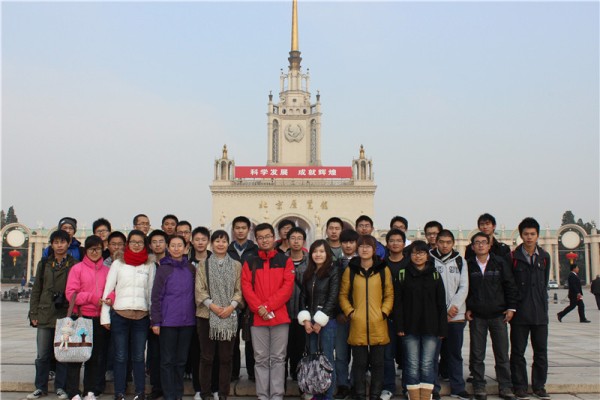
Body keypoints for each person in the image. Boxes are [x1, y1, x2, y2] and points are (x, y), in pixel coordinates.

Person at [241, 222, 295, 400]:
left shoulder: (285, 260)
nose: (264, 240)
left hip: (280, 317)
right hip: (258, 319)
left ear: (274, 237)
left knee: (278, 359)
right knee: (261, 359)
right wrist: (259, 308)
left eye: (267, 236)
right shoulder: (250, 261)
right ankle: (263, 396)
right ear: (256, 240)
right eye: (260, 237)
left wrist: (268, 307)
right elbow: (246, 288)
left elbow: (287, 288)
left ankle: (277, 395)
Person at [101, 230, 156, 400]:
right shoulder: (118, 263)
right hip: (120, 315)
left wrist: (153, 318)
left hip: (141, 316)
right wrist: (105, 316)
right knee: (120, 356)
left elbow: (151, 293)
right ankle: (119, 392)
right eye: (133, 242)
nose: (136, 245)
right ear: (128, 244)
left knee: (139, 357)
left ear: (144, 244)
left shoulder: (149, 264)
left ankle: (140, 392)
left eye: (140, 242)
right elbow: (108, 290)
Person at [339, 235, 393, 400]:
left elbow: (389, 294)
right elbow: (343, 295)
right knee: (359, 363)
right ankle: (360, 394)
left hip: (378, 322)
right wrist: (350, 312)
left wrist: (384, 312)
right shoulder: (351, 269)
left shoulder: (383, 269)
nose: (364, 249)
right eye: (361, 246)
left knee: (378, 363)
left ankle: (375, 394)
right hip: (358, 323)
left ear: (374, 249)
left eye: (368, 246)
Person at [466, 233, 518, 400]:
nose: (481, 245)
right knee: (477, 353)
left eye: (484, 242)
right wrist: (467, 308)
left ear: (489, 245)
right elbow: (465, 289)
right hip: (477, 316)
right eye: (477, 243)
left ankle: (505, 386)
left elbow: (510, 285)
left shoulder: (500, 263)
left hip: (498, 315)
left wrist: (511, 308)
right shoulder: (468, 265)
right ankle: (479, 385)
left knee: (502, 353)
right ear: (472, 247)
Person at [393, 240, 447, 400]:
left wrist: (442, 328)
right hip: (409, 326)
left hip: (431, 327)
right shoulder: (403, 274)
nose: (418, 256)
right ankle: (413, 396)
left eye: (421, 253)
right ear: (410, 255)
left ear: (427, 255)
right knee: (412, 363)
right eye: (415, 253)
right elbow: (398, 303)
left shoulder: (435, 275)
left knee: (428, 363)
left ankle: (425, 396)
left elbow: (441, 303)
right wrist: (399, 326)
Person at [28, 230, 76, 400]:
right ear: (51, 244)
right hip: (45, 313)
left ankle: (60, 387)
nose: (59, 245)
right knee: (42, 354)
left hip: (64, 314)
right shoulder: (44, 264)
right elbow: (36, 290)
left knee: (62, 354)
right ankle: (40, 387)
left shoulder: (74, 264)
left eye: (62, 242)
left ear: (68, 243)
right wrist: (33, 313)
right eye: (56, 242)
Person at [196, 230, 243, 400]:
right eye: (217, 241)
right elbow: (199, 290)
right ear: (212, 243)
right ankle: (205, 392)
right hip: (206, 316)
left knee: (226, 358)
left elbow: (239, 290)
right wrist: (213, 306)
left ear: (228, 243)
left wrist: (231, 307)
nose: (220, 244)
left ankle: (223, 393)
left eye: (224, 241)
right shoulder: (203, 265)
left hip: (229, 316)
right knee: (207, 357)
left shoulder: (236, 265)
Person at [510, 218, 551, 400]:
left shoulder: (544, 257)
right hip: (520, 312)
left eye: (532, 234)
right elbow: (510, 284)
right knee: (518, 352)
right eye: (526, 234)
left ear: (537, 235)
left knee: (541, 352)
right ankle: (520, 386)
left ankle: (539, 386)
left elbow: (544, 283)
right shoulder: (513, 257)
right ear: (521, 235)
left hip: (540, 312)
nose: (529, 237)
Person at [64, 235, 110, 399]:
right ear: (86, 250)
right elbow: (71, 294)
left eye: (98, 249)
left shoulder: (107, 270)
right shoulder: (77, 269)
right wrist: (91, 298)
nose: (95, 252)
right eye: (91, 249)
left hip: (99, 319)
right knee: (76, 356)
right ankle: (73, 391)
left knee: (94, 357)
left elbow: (112, 290)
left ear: (103, 249)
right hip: (81, 317)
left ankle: (90, 390)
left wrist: (110, 298)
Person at [151, 235, 196, 400]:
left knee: (181, 360)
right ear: (168, 248)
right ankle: (169, 395)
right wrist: (156, 321)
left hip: (187, 322)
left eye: (180, 245)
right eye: (173, 245)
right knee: (167, 361)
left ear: (186, 248)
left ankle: (178, 394)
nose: (176, 249)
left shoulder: (191, 268)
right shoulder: (163, 269)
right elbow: (156, 297)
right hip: (168, 322)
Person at [429, 230, 470, 400]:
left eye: (448, 242)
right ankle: (433, 388)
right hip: (434, 316)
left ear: (453, 243)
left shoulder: (460, 260)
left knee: (454, 354)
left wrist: (454, 307)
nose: (445, 245)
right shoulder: (429, 259)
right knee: (432, 355)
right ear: (436, 242)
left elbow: (464, 286)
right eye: (441, 242)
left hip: (456, 316)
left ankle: (458, 388)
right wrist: (440, 310)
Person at [298, 240, 340, 400]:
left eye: (322, 251)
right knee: (313, 359)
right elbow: (303, 297)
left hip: (327, 322)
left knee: (326, 360)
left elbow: (332, 298)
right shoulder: (308, 272)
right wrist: (306, 320)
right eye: (315, 251)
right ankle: (315, 394)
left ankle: (328, 396)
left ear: (327, 254)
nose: (318, 254)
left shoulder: (333, 271)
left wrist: (319, 321)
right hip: (310, 323)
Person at [227, 216, 259, 382]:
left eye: (243, 228)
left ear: (248, 230)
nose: (240, 231)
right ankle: (233, 372)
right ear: (233, 230)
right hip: (231, 302)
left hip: (250, 302)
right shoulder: (227, 250)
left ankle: (252, 373)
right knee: (231, 339)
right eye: (237, 228)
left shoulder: (255, 250)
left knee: (251, 339)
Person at [381, 229, 409, 400]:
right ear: (387, 243)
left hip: (407, 316)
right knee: (387, 354)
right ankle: (388, 386)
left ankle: (408, 387)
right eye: (392, 240)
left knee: (408, 354)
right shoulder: (382, 265)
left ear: (404, 243)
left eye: (399, 240)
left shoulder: (410, 264)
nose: (395, 243)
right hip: (386, 316)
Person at [334, 229, 359, 399]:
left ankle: (356, 384)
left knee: (358, 354)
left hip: (358, 315)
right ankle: (342, 384)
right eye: (345, 242)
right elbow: (333, 291)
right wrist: (338, 312)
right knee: (341, 354)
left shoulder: (363, 263)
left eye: (351, 242)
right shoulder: (335, 264)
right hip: (341, 317)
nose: (348, 245)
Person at [189, 226, 214, 399]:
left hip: (212, 311)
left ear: (208, 241)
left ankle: (213, 387)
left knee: (212, 354)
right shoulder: (186, 262)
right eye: (197, 239)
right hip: (191, 311)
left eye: (203, 239)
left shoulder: (216, 260)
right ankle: (198, 388)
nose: (200, 242)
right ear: (192, 241)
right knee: (196, 351)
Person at [147, 229, 169, 400]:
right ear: (150, 245)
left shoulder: (172, 263)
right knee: (154, 353)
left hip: (168, 314)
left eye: (161, 241)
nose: (158, 245)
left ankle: (168, 386)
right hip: (149, 313)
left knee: (167, 353)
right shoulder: (146, 263)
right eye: (154, 242)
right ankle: (156, 386)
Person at [285, 227, 309, 381]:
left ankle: (297, 374)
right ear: (288, 241)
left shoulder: (310, 261)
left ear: (304, 241)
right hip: (284, 311)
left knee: (300, 347)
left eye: (299, 238)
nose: (296, 241)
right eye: (293, 238)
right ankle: (282, 377)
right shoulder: (281, 260)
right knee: (284, 347)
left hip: (303, 312)